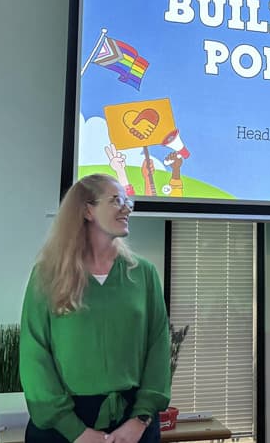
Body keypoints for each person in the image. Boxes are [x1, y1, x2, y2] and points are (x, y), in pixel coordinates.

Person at [20, 174, 171, 443]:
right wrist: (75, 431)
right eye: (116, 201)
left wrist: (141, 419)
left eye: (128, 201)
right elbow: (35, 356)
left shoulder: (143, 274)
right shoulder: (47, 275)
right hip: (62, 429)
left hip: (133, 425)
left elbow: (158, 348)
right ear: (87, 210)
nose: (127, 208)